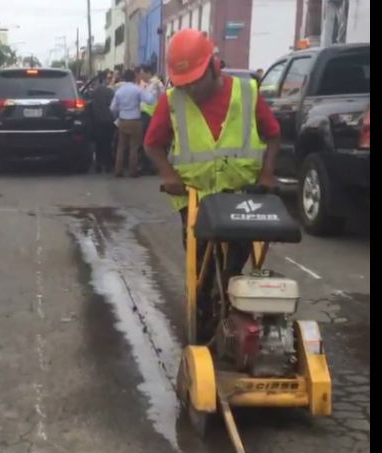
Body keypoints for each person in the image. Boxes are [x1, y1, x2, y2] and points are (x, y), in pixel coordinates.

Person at [143, 29, 281, 334]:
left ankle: (233, 311)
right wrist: (168, 175)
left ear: (213, 66)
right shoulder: (172, 101)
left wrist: (267, 173)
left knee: (236, 265)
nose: (189, 89)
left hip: (241, 195)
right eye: (183, 83)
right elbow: (152, 144)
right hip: (196, 198)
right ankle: (203, 315)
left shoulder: (247, 92)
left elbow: (272, 134)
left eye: (194, 81)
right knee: (201, 267)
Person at [110, 69, 155, 177]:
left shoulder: (119, 91)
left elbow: (112, 108)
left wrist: (120, 111)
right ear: (134, 77)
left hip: (123, 120)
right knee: (134, 147)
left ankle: (118, 170)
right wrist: (152, 91)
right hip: (135, 120)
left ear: (123, 78)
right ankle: (132, 171)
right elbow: (149, 100)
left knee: (121, 147)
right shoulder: (137, 90)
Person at [138, 64, 165, 174]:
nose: (141, 75)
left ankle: (149, 166)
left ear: (148, 73)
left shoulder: (155, 83)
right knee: (146, 141)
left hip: (151, 115)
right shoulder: (149, 84)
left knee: (148, 141)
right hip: (147, 114)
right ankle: (147, 165)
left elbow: (154, 99)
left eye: (142, 73)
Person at [90, 73, 116, 173]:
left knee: (98, 144)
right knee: (108, 143)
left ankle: (98, 165)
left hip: (97, 121)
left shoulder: (94, 92)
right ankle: (108, 165)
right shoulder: (110, 92)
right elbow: (114, 106)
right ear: (105, 80)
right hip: (108, 121)